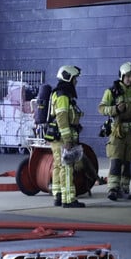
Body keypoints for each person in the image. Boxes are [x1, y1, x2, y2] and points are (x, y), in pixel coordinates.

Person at [98, 62, 131, 201]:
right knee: (116, 161)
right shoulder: (112, 91)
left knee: (128, 162)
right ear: (122, 76)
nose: (130, 79)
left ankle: (124, 188)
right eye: (127, 76)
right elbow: (102, 108)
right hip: (117, 131)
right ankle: (113, 189)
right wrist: (115, 109)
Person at [47, 65, 86, 208]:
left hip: (57, 138)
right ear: (68, 77)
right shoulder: (63, 95)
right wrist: (68, 140)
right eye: (75, 78)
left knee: (58, 166)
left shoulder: (59, 93)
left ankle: (58, 195)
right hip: (63, 139)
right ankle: (68, 199)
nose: (76, 81)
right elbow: (62, 118)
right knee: (67, 168)